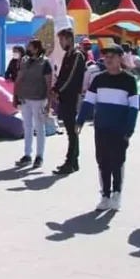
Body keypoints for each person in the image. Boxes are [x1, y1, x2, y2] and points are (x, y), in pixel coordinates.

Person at [76, 45, 138, 211]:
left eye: (112, 56)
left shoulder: (129, 80)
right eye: (106, 56)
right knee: (102, 161)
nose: (108, 60)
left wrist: (129, 129)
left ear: (120, 58)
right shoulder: (99, 79)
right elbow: (88, 101)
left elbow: (134, 107)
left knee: (117, 162)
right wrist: (80, 120)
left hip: (119, 129)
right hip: (101, 127)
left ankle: (117, 194)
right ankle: (105, 195)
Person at [12, 39, 53, 168]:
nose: (27, 49)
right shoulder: (24, 61)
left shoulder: (45, 63)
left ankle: (39, 156)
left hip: (39, 99)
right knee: (27, 127)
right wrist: (15, 95)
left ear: (36, 49)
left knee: (39, 128)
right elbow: (18, 79)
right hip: (25, 99)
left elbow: (48, 84)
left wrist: (49, 103)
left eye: (30, 47)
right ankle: (27, 155)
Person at [51, 29, 86, 175]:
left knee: (72, 131)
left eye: (62, 40)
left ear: (70, 39)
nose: (61, 43)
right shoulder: (68, 55)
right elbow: (61, 76)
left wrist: (58, 91)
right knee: (70, 131)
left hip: (72, 97)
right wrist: (54, 89)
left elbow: (71, 78)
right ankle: (74, 161)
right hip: (65, 97)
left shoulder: (77, 56)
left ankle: (70, 162)